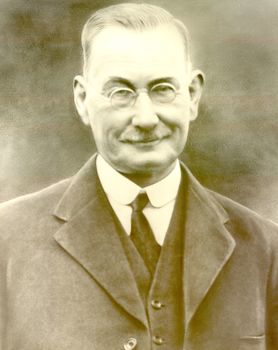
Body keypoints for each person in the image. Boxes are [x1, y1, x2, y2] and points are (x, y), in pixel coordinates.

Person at [0, 3, 277, 350]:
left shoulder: (265, 249)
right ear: (83, 99)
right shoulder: (7, 241)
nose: (145, 117)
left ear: (192, 95)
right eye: (121, 92)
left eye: (163, 89)